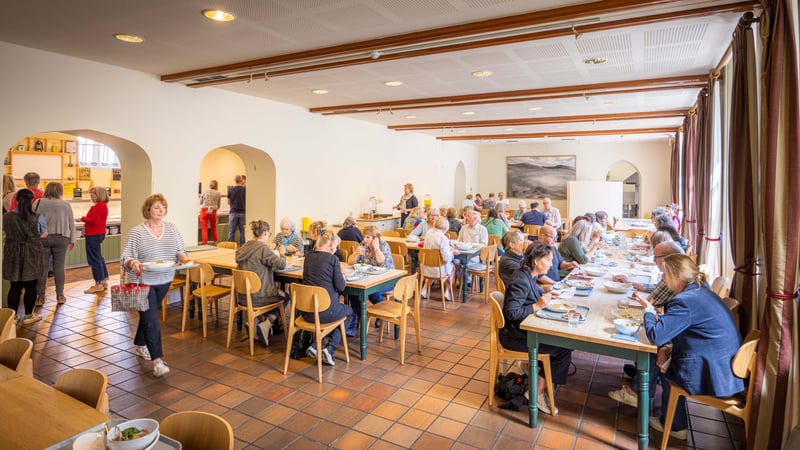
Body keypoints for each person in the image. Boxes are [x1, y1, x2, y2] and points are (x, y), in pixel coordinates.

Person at [639, 254, 743, 440]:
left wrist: (648, 311)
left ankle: (674, 425)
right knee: (664, 355)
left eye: (665, 274)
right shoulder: (701, 290)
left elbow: (656, 335)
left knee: (665, 365)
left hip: (714, 374)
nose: (663, 278)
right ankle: (653, 402)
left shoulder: (685, 301)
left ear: (677, 277)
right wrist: (668, 347)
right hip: (728, 366)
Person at [121, 194, 190, 377]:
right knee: (151, 319)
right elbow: (126, 256)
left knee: (148, 317)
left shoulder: (172, 228)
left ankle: (140, 344)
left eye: (164, 207)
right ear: (148, 210)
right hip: (143, 281)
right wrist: (133, 262)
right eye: (157, 207)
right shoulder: (137, 232)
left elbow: (180, 250)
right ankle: (157, 361)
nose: (161, 211)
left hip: (164, 279)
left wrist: (183, 257)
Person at [608, 242, 684, 407]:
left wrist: (648, 309)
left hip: (684, 350)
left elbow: (652, 302)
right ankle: (642, 379)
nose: (653, 260)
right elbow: (656, 291)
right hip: (684, 339)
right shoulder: (682, 276)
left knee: (649, 341)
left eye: (655, 256)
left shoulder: (679, 284)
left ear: (667, 259)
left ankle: (638, 391)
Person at [500, 242, 572, 415]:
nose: (551, 264)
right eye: (548, 260)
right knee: (563, 348)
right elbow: (512, 312)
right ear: (535, 261)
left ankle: (536, 372)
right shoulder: (520, 280)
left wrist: (545, 293)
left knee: (562, 343)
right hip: (515, 336)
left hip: (523, 330)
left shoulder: (527, 274)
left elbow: (532, 290)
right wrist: (538, 305)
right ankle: (536, 393)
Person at [302, 230, 353, 366]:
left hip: (306, 311)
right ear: (330, 244)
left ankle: (315, 345)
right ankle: (330, 349)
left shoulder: (308, 256)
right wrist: (342, 274)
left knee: (331, 314)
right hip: (325, 312)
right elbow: (341, 287)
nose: (335, 249)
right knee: (349, 313)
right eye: (335, 246)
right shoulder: (332, 259)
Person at [3, 189, 47, 325]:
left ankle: (13, 317)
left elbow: (5, 230)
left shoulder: (7, 216)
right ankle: (28, 316)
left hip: (13, 252)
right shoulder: (38, 217)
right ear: (32, 201)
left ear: (16, 200)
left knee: (15, 285)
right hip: (32, 252)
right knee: (31, 285)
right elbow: (44, 234)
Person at [236, 220, 287, 336]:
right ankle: (267, 323)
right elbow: (281, 264)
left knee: (265, 290)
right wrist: (282, 253)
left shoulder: (243, 247)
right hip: (259, 297)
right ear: (264, 232)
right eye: (269, 233)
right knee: (286, 297)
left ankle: (255, 321)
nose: (269, 235)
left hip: (242, 296)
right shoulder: (263, 248)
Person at [34, 182, 76, 306]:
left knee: (43, 268)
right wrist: (72, 239)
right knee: (59, 266)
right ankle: (60, 295)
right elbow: (71, 223)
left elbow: (32, 220)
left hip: (42, 238)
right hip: (61, 238)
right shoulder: (65, 204)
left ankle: (40, 297)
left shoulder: (38, 202)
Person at [347, 226, 394, 332]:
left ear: (375, 238)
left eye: (368, 237)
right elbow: (350, 262)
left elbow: (382, 262)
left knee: (373, 294)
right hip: (368, 279)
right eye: (364, 237)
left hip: (387, 279)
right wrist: (355, 253)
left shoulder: (383, 245)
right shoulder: (363, 245)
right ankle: (353, 325)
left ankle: (383, 313)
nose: (364, 240)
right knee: (354, 294)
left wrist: (376, 248)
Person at [79, 186, 109, 294]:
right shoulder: (102, 206)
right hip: (98, 234)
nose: (91, 195)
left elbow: (93, 221)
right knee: (99, 257)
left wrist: (82, 218)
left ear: (100, 195)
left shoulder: (98, 206)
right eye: (91, 193)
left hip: (93, 235)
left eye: (94, 193)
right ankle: (104, 280)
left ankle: (98, 283)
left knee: (94, 259)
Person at [422, 217, 457, 300]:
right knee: (452, 268)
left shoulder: (428, 233)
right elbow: (446, 258)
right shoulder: (442, 238)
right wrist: (452, 251)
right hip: (439, 271)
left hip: (426, 268)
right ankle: (446, 292)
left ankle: (424, 290)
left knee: (432, 267)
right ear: (445, 227)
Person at [199, 180, 221, 244]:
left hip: (204, 211)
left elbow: (200, 202)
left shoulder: (205, 191)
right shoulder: (218, 193)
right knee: (213, 227)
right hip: (213, 211)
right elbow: (219, 205)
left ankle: (205, 243)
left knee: (204, 229)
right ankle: (215, 242)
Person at [227, 175, 246, 246]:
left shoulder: (230, 189)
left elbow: (228, 202)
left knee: (231, 231)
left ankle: (230, 246)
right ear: (241, 180)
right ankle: (243, 246)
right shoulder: (245, 190)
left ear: (234, 180)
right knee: (242, 231)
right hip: (243, 213)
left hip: (233, 212)